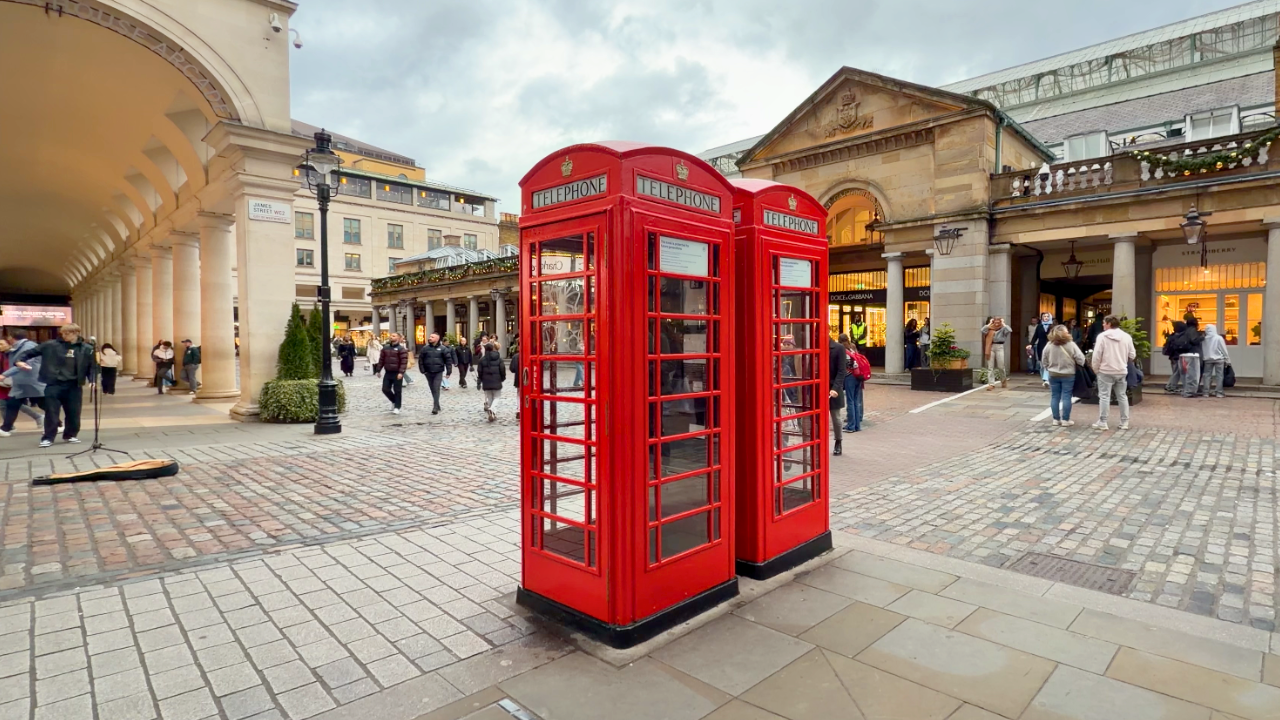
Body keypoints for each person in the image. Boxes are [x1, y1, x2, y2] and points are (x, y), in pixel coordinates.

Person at [13, 323, 96, 447]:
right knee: (52, 412)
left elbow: (92, 367)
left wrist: (92, 380)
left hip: (74, 385)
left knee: (74, 412)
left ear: (76, 333)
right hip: (54, 384)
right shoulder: (50, 345)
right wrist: (19, 361)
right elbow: (31, 352)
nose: (64, 336)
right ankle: (48, 437)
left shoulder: (86, 348)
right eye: (63, 333)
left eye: (67, 333)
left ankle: (70, 434)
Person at [1090, 315, 1137, 431]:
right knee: (1122, 396)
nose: (1102, 324)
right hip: (1121, 370)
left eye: (1104, 323)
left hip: (1105, 370)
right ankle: (1124, 422)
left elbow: (1096, 356)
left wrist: (1096, 369)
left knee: (1104, 396)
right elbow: (1132, 355)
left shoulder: (1102, 337)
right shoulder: (1126, 337)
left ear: (1109, 324)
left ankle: (1103, 421)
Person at [0, 336, 47, 436]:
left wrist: (4, 375)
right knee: (12, 404)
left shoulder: (27, 346)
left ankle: (57, 424)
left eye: (1, 344)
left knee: (43, 404)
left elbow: (22, 365)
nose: (0, 346)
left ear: (11, 340)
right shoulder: (13, 350)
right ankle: (6, 428)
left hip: (31, 382)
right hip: (20, 382)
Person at [1040, 325, 1085, 427]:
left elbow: (1044, 360)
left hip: (1053, 373)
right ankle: (1065, 419)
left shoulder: (1049, 344)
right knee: (1066, 396)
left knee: (1055, 396)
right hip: (1068, 374)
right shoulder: (1071, 344)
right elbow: (1080, 359)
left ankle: (1056, 419)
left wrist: (1048, 367)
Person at [842, 335, 869, 432]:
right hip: (858, 377)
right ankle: (857, 425)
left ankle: (851, 425)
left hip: (850, 377)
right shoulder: (852, 348)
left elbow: (844, 366)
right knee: (856, 402)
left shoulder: (843, 350)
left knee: (850, 401)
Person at [378, 333, 409, 414]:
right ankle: (394, 401)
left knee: (397, 390)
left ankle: (397, 407)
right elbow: (381, 359)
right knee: (385, 389)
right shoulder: (386, 348)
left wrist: (401, 372)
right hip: (388, 372)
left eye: (394, 336)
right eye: (391, 336)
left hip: (397, 372)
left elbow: (404, 361)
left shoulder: (401, 349)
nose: (391, 337)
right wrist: (378, 370)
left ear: (398, 338)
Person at [418, 332, 448, 415]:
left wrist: (449, 371)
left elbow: (448, 360)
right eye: (430, 336)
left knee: (436, 388)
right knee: (432, 388)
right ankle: (437, 404)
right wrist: (422, 370)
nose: (430, 338)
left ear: (437, 339)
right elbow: (421, 360)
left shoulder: (443, 349)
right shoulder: (425, 348)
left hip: (438, 371)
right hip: (428, 371)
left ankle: (435, 407)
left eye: (432, 337)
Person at [477, 342, 506, 422]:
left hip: (486, 381)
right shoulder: (498, 358)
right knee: (497, 397)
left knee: (489, 398)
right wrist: (502, 378)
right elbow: (502, 369)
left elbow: (479, 371)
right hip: (497, 380)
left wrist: (480, 380)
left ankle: (493, 413)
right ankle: (492, 409)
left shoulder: (482, 360)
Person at [829, 333, 848, 455]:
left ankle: (838, 441)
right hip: (818, 386)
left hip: (833, 387)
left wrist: (836, 388)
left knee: (836, 417)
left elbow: (842, 371)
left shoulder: (838, 348)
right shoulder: (814, 346)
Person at [1177, 318, 1205, 398]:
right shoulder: (1192, 330)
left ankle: (1188, 390)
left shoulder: (1185, 331)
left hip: (1184, 354)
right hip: (1193, 355)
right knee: (1193, 374)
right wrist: (1202, 337)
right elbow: (1194, 340)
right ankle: (1190, 392)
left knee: (1186, 374)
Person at [981, 317, 1012, 390]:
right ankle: (991, 384)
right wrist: (989, 323)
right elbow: (982, 330)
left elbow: (1009, 330)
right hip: (990, 347)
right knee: (990, 367)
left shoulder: (1003, 328)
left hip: (999, 347)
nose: (997, 323)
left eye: (998, 322)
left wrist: (1003, 323)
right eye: (995, 322)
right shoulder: (990, 328)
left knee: (1001, 366)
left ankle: (1003, 380)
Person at [1200, 323, 1229, 398]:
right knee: (1219, 376)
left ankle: (1206, 392)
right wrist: (1227, 358)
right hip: (1219, 359)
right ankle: (1219, 392)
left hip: (1207, 359)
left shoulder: (1204, 339)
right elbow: (1223, 349)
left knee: (1207, 376)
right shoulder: (1218, 338)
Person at [1027, 312, 1053, 386]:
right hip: (1041, 346)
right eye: (1044, 316)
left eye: (1047, 316)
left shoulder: (1052, 326)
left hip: (1050, 346)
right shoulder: (1039, 326)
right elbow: (1035, 336)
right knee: (1042, 363)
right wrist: (1030, 345)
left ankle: (1047, 379)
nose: (1046, 318)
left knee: (1048, 363)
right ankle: (1044, 378)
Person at [1162, 321, 1187, 393]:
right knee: (1177, 372)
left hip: (1172, 357)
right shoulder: (1179, 337)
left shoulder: (1172, 336)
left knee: (1175, 372)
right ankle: (1170, 386)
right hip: (1177, 357)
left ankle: (1173, 386)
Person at [509, 344, 521, 420]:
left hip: (518, 378)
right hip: (528, 379)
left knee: (519, 394)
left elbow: (512, 368)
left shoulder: (515, 356)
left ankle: (519, 409)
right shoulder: (530, 355)